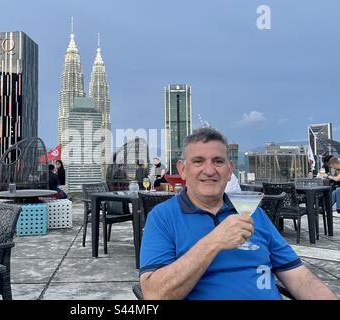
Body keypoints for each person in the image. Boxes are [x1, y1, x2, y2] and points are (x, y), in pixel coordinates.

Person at [139, 127, 337, 300]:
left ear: (229, 169)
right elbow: (154, 294)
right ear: (182, 170)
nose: (209, 170)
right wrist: (215, 241)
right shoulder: (162, 217)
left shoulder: (254, 214)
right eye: (198, 161)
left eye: (218, 161)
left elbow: (299, 277)